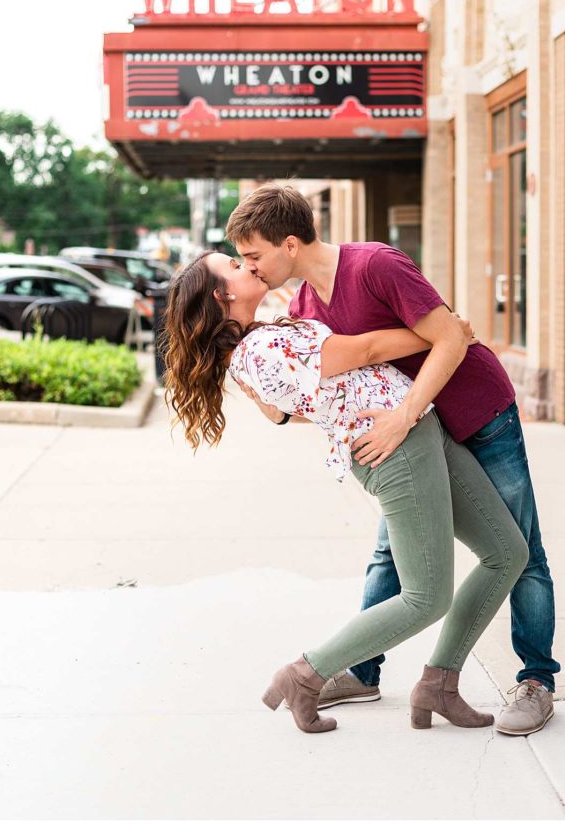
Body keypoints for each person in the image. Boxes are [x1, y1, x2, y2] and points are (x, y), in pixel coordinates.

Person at [225, 184, 560, 736]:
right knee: (391, 558)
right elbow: (338, 387)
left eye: (254, 256)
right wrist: (284, 406)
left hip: (477, 415)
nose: (251, 269)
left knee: (523, 552)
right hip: (411, 440)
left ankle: (536, 680)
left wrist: (404, 413)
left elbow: (450, 339)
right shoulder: (305, 306)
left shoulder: (375, 265)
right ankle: (365, 670)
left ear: (289, 243)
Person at [162, 250, 529, 735]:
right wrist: (446, 334)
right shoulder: (259, 351)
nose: (246, 264)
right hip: (393, 448)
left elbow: (287, 409)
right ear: (221, 295)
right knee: (425, 597)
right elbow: (366, 351)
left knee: (507, 552)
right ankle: (305, 674)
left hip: (416, 425)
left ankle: (439, 682)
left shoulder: (263, 336)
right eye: (232, 265)